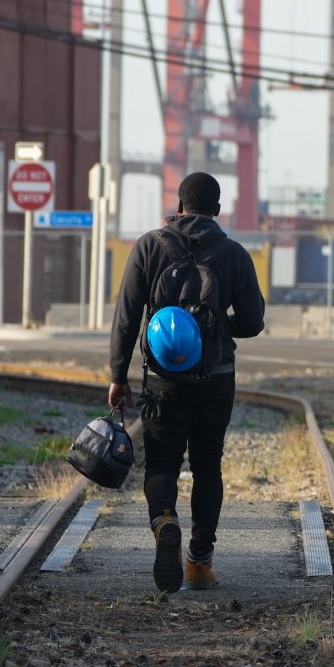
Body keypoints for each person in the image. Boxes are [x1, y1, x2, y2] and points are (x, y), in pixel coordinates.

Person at [108, 171, 266, 592]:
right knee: (207, 466)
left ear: (178, 206)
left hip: (163, 380)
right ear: (217, 210)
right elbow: (253, 321)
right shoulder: (234, 254)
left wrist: (118, 376)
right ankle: (199, 561)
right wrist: (215, 330)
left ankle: (164, 522)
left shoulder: (148, 246)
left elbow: (126, 317)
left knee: (161, 464)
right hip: (216, 379)